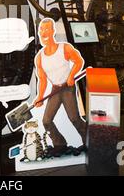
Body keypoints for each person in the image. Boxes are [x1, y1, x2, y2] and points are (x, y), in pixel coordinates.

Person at [34, 18, 86, 157]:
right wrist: (40, 97)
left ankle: (89, 141)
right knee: (46, 121)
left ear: (52, 31)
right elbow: (43, 80)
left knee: (74, 118)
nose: (43, 33)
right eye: (41, 30)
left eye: (46, 29)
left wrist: (71, 75)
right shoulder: (39, 57)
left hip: (68, 88)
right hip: (55, 90)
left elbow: (79, 61)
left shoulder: (64, 48)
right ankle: (60, 144)